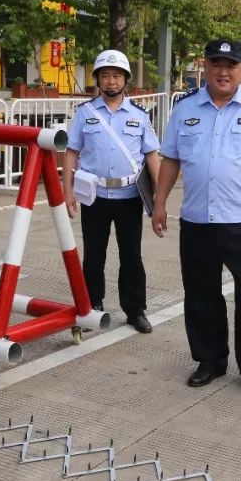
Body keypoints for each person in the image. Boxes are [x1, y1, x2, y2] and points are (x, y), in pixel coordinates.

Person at [151, 39, 241, 398]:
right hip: (197, 220)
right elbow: (170, 160)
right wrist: (160, 202)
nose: (223, 72)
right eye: (216, 64)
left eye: (231, 65)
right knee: (201, 293)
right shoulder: (184, 109)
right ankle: (209, 360)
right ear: (205, 67)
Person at [64, 49, 160, 332]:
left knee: (131, 254)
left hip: (129, 196)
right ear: (97, 80)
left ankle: (135, 310)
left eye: (116, 75)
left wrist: (159, 198)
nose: (111, 81)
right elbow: (71, 152)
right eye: (105, 75)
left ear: (125, 80)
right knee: (94, 254)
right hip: (93, 196)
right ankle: (91, 305)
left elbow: (152, 155)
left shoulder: (139, 116)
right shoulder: (85, 114)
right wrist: (67, 193)